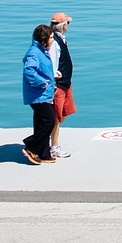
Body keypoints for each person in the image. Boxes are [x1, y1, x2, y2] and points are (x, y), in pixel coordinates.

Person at [21, 25, 57, 165]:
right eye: (51, 38)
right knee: (49, 121)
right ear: (44, 39)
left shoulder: (42, 51)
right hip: (38, 95)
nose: (53, 41)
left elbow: (43, 69)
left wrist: (53, 76)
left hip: (44, 94)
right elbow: (29, 71)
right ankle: (31, 146)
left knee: (41, 122)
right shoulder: (34, 53)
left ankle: (43, 153)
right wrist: (43, 83)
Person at [49, 13, 75, 159]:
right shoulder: (53, 42)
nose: (67, 26)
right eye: (67, 23)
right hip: (58, 85)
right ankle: (54, 146)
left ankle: (47, 139)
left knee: (64, 113)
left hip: (66, 83)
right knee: (56, 117)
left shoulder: (59, 39)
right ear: (63, 25)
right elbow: (52, 63)